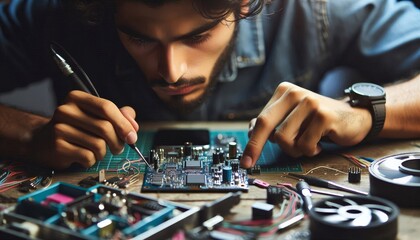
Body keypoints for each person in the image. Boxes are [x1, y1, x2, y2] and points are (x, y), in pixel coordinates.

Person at [0, 0, 419, 170]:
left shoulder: (316, 10)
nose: (172, 71)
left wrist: (365, 112)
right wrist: (29, 134)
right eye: (139, 38)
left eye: (197, 35)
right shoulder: (63, 13)